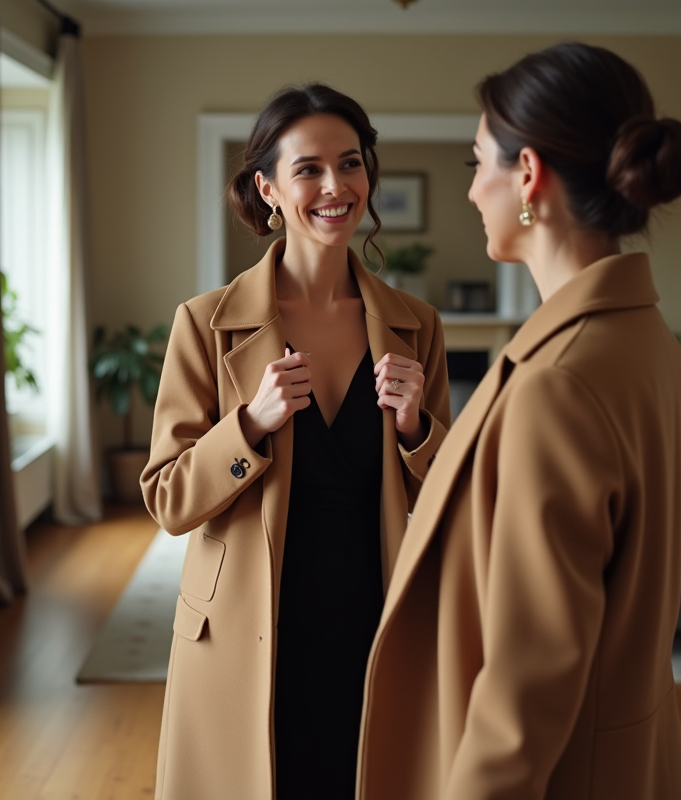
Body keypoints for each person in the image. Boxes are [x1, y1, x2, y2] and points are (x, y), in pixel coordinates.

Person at [356, 42, 681, 800]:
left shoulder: (559, 383)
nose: (473, 189)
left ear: (529, 177)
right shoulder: (648, 342)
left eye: (479, 164)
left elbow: (525, 686)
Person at [141, 83, 451, 800]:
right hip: (250, 626)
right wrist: (248, 425)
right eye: (308, 168)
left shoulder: (417, 325)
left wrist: (416, 432)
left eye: (350, 164)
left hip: (375, 617)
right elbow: (167, 498)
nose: (334, 186)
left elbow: (449, 499)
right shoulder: (205, 324)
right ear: (269, 188)